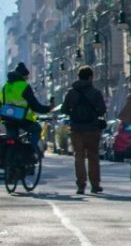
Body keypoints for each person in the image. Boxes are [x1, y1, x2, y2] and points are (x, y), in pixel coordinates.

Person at [62, 65, 107, 194]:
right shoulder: (95, 92)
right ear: (90, 77)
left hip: (76, 129)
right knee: (93, 157)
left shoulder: (71, 92)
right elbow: (102, 110)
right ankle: (95, 185)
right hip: (92, 129)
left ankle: (81, 185)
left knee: (79, 157)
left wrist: (73, 111)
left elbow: (63, 110)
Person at [1, 62, 51, 155]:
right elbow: (35, 106)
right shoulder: (24, 86)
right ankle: (31, 150)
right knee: (37, 129)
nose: (27, 79)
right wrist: (48, 109)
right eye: (26, 77)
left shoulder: (5, 87)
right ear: (23, 76)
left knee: (12, 139)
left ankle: (9, 160)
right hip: (22, 119)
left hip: (7, 118)